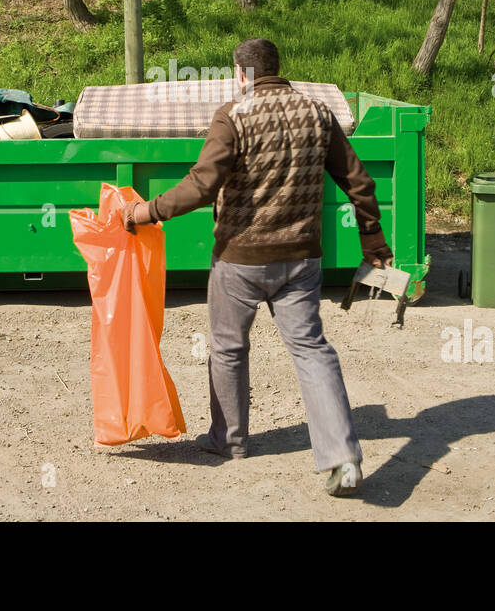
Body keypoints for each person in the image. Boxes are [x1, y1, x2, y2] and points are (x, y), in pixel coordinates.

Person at [122, 38, 392, 497]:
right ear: (277, 69)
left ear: (242, 74)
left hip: (240, 259)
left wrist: (145, 212)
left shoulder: (233, 116)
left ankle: (229, 441)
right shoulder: (319, 113)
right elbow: (357, 180)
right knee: (311, 350)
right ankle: (343, 459)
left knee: (228, 348)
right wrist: (372, 238)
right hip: (301, 258)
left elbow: (203, 185)